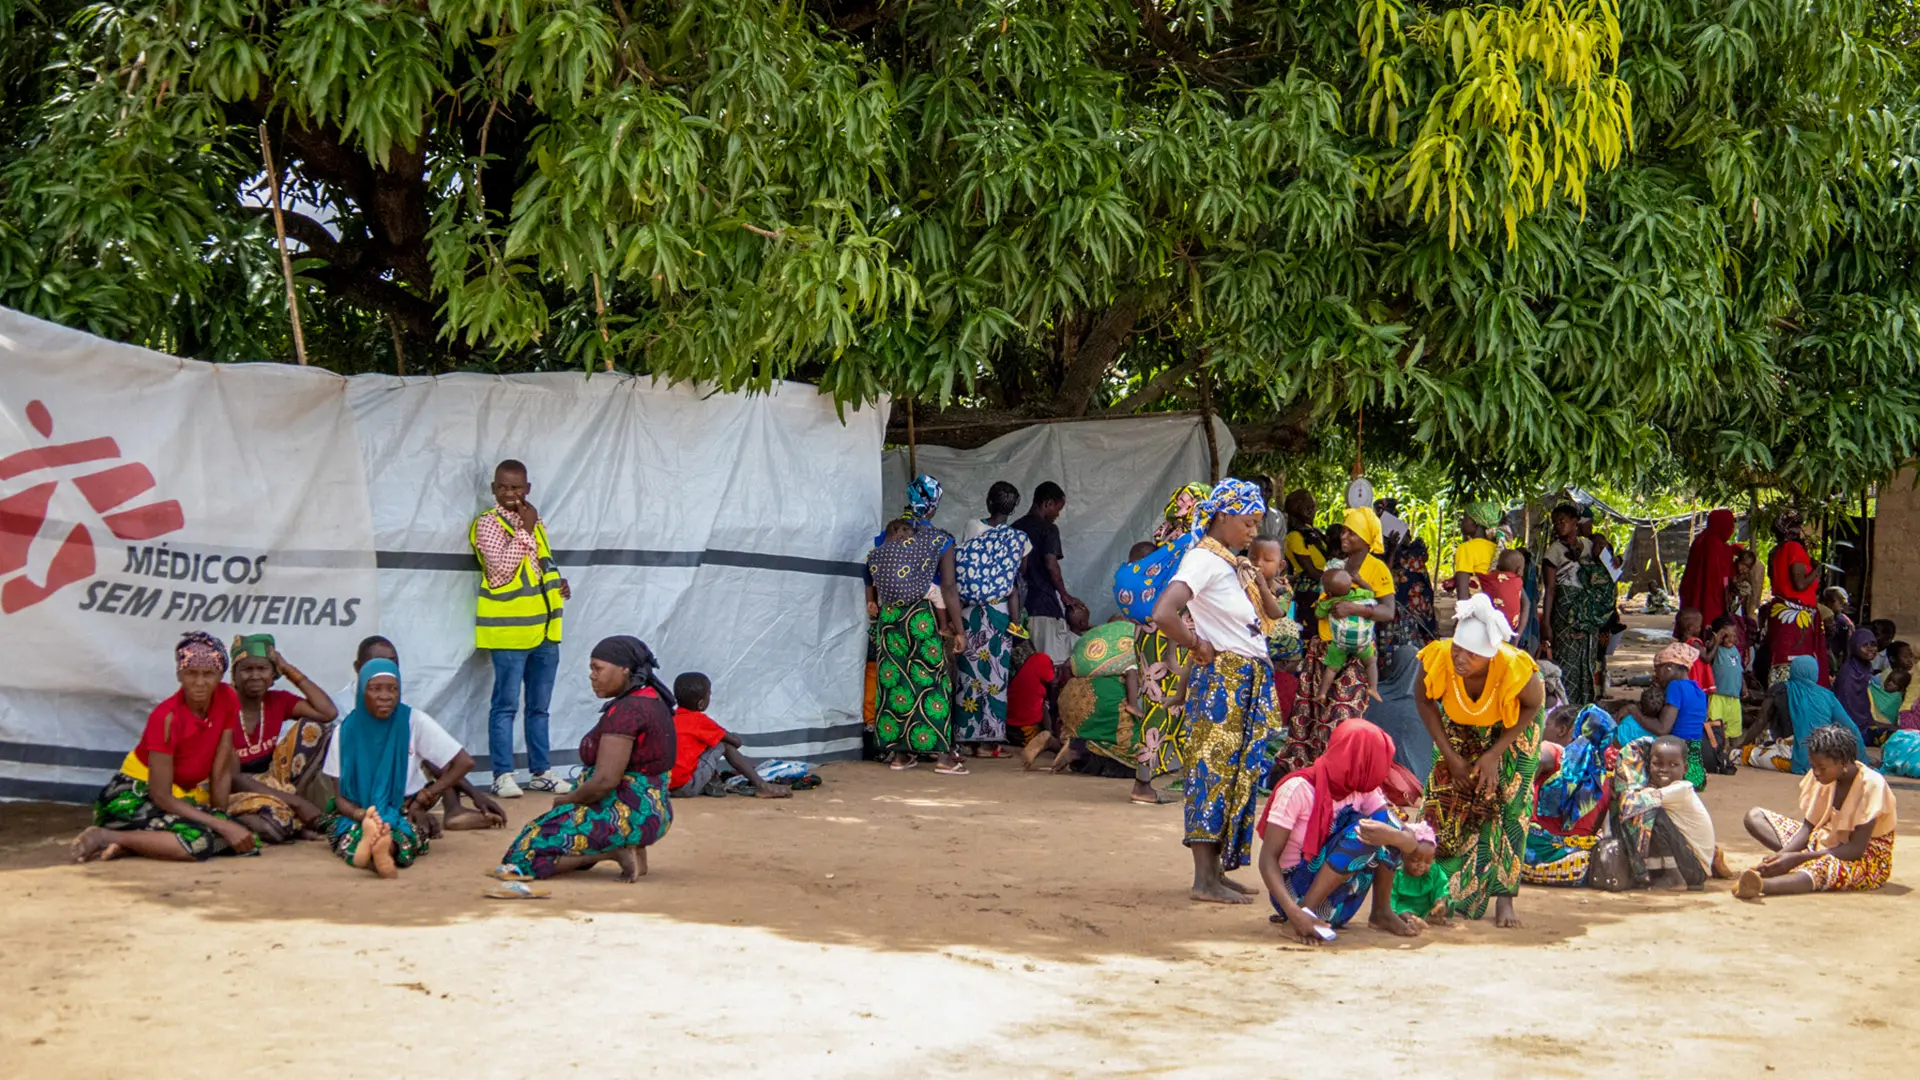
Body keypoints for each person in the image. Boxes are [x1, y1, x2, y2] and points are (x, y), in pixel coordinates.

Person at [1150, 479, 1282, 904]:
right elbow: (1164, 612)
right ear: (1221, 516)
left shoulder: (1229, 563)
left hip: (1243, 679)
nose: (1251, 531)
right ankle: (1204, 880)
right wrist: (1196, 644)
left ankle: (1216, 873)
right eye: (1247, 522)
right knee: (1211, 773)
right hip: (1223, 680)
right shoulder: (1204, 559)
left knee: (1233, 776)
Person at [492, 637, 677, 882]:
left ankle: (612, 852)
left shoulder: (628, 711)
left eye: (598, 668)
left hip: (626, 813)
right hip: (653, 812)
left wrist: (568, 800)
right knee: (549, 831)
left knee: (521, 859)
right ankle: (626, 846)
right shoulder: (651, 699)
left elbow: (605, 781)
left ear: (625, 669)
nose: (592, 676)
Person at [1416, 592, 1546, 927]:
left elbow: (1533, 705)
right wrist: (1452, 758)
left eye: (1471, 655)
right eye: (1457, 649)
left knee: (1509, 804)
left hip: (1513, 725)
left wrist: (1493, 755)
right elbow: (1425, 702)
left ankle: (1505, 898)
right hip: (1459, 721)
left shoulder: (1515, 669)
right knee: (1445, 796)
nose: (1460, 658)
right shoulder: (1439, 658)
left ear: (1490, 656)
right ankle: (1434, 890)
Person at [70, 632, 259, 863]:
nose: (200, 682)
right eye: (191, 673)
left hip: (179, 798)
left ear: (220, 675)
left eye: (208, 674)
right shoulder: (166, 717)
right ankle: (106, 834)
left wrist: (221, 818)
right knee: (198, 843)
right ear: (179, 674)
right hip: (136, 795)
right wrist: (219, 825)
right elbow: (160, 794)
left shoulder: (228, 698)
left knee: (248, 840)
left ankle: (135, 844)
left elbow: (220, 770)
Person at [1255, 719, 1425, 944]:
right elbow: (1267, 859)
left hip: (1340, 902)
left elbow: (1410, 842)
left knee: (1385, 825)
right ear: (1358, 762)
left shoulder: (1361, 788)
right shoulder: (1297, 790)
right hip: (1294, 897)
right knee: (1361, 832)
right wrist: (1295, 913)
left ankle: (1381, 912)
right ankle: (1304, 913)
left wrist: (1393, 836)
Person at [470, 459, 572, 798]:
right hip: (509, 633)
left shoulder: (535, 521)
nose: (510, 493)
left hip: (544, 631)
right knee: (506, 705)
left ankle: (541, 770)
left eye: (516, 487)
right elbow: (500, 572)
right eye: (503, 487)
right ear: (494, 489)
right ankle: (502, 774)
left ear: (527, 489)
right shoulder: (488, 524)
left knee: (540, 708)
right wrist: (525, 529)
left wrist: (557, 582)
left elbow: (540, 565)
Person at [340, 636, 507, 832]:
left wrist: (474, 794)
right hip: (358, 790)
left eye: (393, 663)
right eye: (376, 663)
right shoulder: (343, 705)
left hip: (400, 790)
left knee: (424, 747)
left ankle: (450, 809)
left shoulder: (397, 705)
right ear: (358, 668)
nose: (385, 669)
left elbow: (458, 760)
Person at [325, 659, 474, 877]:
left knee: (401, 832)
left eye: (392, 689)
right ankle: (380, 849)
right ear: (361, 692)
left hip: (402, 809)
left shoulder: (413, 721)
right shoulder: (343, 733)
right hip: (356, 812)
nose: (385, 696)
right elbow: (339, 798)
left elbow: (464, 762)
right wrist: (364, 816)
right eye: (375, 689)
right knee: (398, 836)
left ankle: (378, 850)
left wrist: (426, 796)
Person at [1277, 508, 1397, 773]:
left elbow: (1388, 612)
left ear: (1366, 537)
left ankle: (1339, 775)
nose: (1344, 536)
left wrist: (1353, 609)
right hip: (1323, 651)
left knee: (1343, 716)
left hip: (1355, 654)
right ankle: (1310, 775)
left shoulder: (1378, 570)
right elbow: (1322, 605)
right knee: (1310, 717)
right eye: (1343, 531)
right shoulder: (1334, 566)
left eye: (1350, 532)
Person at [867, 474, 968, 774]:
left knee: (895, 680)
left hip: (888, 619)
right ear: (933, 505)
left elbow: (869, 571)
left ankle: (900, 754)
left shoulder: (885, 535)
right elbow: (948, 587)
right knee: (934, 682)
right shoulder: (940, 539)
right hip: (923, 617)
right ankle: (943, 757)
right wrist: (957, 629)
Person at [1736, 724, 1897, 898]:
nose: (1816, 773)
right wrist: (1781, 857)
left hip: (1864, 858)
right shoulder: (1821, 778)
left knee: (1822, 867)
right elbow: (1807, 828)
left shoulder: (1872, 785)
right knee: (1755, 817)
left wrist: (1798, 858)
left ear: (1843, 762)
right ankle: (1792, 867)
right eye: (1813, 766)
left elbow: (1855, 849)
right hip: (1824, 840)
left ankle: (1762, 885)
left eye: (1822, 768)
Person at [224, 635, 337, 843]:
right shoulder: (222, 705)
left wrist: (288, 669)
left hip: (273, 782)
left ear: (272, 673)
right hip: (232, 788)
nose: (255, 676)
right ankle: (283, 818)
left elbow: (327, 712)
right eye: (247, 669)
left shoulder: (277, 701)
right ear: (234, 674)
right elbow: (234, 778)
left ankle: (291, 814)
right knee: (274, 827)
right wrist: (297, 804)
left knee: (316, 729)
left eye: (263, 669)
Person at [952, 483, 1031, 748]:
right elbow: (1020, 573)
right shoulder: (1019, 538)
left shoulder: (973, 526)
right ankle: (990, 743)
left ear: (988, 501)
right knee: (996, 678)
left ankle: (966, 736)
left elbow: (966, 565)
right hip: (1000, 612)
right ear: (1015, 506)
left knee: (968, 675)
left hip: (970, 611)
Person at [667, 673, 792, 799]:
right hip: (686, 787)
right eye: (709, 694)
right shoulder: (699, 721)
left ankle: (712, 783)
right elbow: (735, 742)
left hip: (664, 787)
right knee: (724, 745)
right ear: (701, 704)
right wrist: (734, 736)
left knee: (701, 744)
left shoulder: (670, 718)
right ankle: (762, 785)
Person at [1540, 503, 1614, 706]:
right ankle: (1567, 708)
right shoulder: (1553, 552)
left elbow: (1607, 566)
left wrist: (1608, 551)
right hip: (1564, 615)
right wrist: (1546, 623)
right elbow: (1550, 590)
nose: (1559, 525)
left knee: (1587, 661)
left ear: (1575, 522)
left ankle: (1585, 707)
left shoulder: (1588, 546)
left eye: (1563, 521)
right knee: (1567, 663)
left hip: (1588, 616)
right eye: (1556, 522)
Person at [1613, 642, 1710, 789]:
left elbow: (1662, 728)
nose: (1656, 675)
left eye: (1658, 670)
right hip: (1694, 768)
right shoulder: (1698, 690)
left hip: (1674, 755)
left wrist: (1633, 710)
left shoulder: (1675, 686)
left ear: (1669, 667)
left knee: (1631, 726)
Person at [1013, 481, 1080, 664]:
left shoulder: (1014, 528)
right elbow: (1051, 565)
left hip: (1017, 609)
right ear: (1048, 503)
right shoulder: (1048, 529)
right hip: (1043, 605)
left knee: (1027, 666)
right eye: (1057, 509)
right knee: (1053, 665)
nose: (1057, 515)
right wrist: (1064, 594)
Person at [1764, 509, 1825, 687]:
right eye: (1797, 526)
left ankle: (1779, 696)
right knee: (1797, 661)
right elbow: (1800, 584)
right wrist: (1817, 570)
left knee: (1782, 658)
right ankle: (1797, 700)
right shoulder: (1794, 548)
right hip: (1796, 616)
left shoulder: (1776, 551)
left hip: (1783, 613)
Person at [1313, 568, 1379, 702]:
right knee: (1371, 663)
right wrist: (1360, 581)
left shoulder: (1329, 602)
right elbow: (1372, 593)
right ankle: (1373, 687)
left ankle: (1322, 693)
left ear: (1328, 592)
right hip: (1363, 643)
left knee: (1331, 669)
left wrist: (1321, 604)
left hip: (1340, 644)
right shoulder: (1361, 594)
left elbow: (1319, 615)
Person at [1676, 508, 1740, 630]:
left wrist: (1730, 550)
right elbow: (1720, 576)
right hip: (1709, 597)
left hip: (1694, 593)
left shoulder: (1701, 539)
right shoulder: (1715, 545)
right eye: (1730, 525)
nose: (1731, 530)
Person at [1007, 640, 1059, 769]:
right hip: (1026, 727)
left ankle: (1049, 738)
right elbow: (1054, 683)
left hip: (1010, 728)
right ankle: (1051, 741)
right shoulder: (1042, 659)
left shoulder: (1021, 670)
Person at [1282, 489, 1329, 633]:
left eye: (1313, 507)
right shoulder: (1295, 536)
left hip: (1322, 585)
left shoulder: (1313, 532)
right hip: (1310, 591)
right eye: (1308, 507)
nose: (1313, 511)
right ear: (1295, 508)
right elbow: (1310, 571)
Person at [1834, 627, 1879, 734]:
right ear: (1855, 647)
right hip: (1851, 726)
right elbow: (1848, 707)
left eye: (1873, 644)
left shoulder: (1866, 667)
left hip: (1866, 721)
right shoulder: (1849, 673)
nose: (1870, 649)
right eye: (1865, 645)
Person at [1452, 504, 1502, 600]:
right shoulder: (1496, 547)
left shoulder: (1466, 548)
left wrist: (1463, 610)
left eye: (1465, 518)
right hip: (1495, 602)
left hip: (1478, 604)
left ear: (1475, 523)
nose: (1461, 522)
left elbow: (1463, 587)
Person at [1709, 616, 1746, 741]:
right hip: (1717, 696)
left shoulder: (1735, 650)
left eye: (1734, 635)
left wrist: (1744, 687)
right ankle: (1717, 755)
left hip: (1734, 697)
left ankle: (1732, 754)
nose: (1732, 639)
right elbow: (1708, 651)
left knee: (1734, 730)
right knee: (1715, 730)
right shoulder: (1716, 650)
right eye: (1726, 635)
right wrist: (1716, 641)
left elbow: (1739, 670)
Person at [1482, 549, 1529, 636]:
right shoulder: (1517, 581)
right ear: (1519, 570)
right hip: (1510, 626)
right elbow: (1526, 604)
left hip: (1487, 625)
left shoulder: (1489, 578)